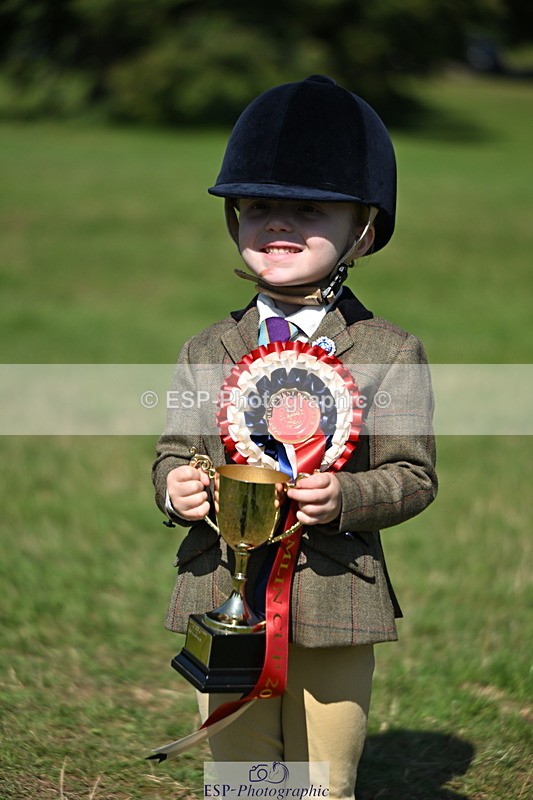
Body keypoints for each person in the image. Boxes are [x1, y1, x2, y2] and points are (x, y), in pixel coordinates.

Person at [152, 75, 437, 800]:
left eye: (308, 208)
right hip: (220, 592)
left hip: (336, 598)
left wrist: (345, 496)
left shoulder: (389, 352)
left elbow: (413, 475)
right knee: (241, 779)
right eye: (257, 207)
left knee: (322, 782)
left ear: (362, 230)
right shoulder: (206, 348)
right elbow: (173, 450)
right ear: (233, 220)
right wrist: (175, 488)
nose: (276, 223)